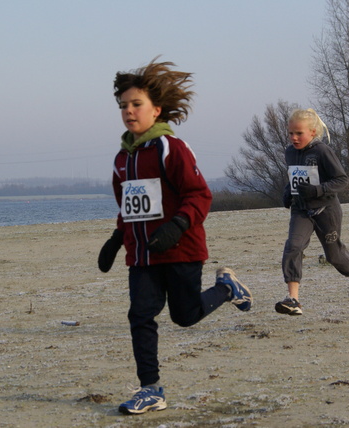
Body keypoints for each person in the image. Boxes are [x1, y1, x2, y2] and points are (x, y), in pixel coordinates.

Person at [97, 58, 253, 415]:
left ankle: (227, 289)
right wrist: (116, 239)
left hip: (182, 250)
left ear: (157, 109)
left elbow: (200, 195)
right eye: (123, 106)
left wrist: (177, 226)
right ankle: (150, 390)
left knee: (184, 316)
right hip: (143, 257)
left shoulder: (171, 148)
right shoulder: (123, 159)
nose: (129, 111)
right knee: (140, 316)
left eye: (136, 104)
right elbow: (130, 209)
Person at [275, 108, 349, 316]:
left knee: (333, 256)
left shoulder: (322, 151)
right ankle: (293, 299)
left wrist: (318, 190)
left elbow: (342, 180)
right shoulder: (289, 152)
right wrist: (288, 192)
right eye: (290, 133)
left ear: (313, 132)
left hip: (326, 210)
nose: (294, 138)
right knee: (293, 247)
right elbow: (294, 176)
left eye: (299, 133)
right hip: (301, 210)